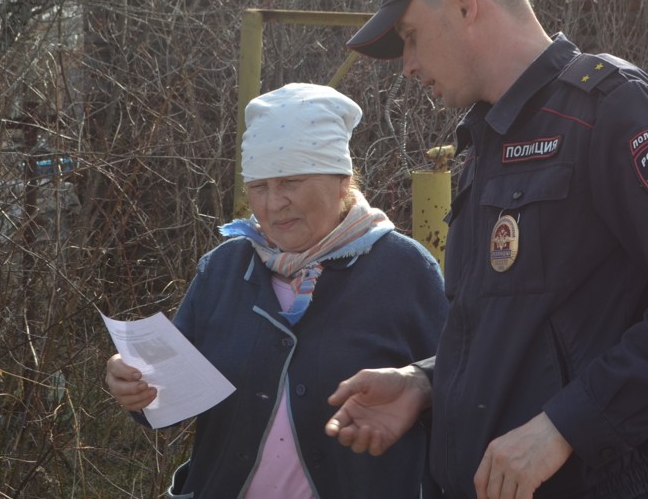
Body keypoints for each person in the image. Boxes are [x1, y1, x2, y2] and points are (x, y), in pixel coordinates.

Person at [325, 0, 648, 499]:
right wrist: (424, 382)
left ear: (463, 3)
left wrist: (567, 426)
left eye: (410, 36)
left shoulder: (607, 109)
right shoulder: (485, 140)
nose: (407, 64)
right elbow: (528, 332)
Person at [106, 83, 448, 498]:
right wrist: (136, 386)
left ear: (342, 181)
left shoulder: (403, 270)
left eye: (291, 181)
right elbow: (167, 404)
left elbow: (459, 389)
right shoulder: (225, 269)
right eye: (259, 186)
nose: (272, 204)